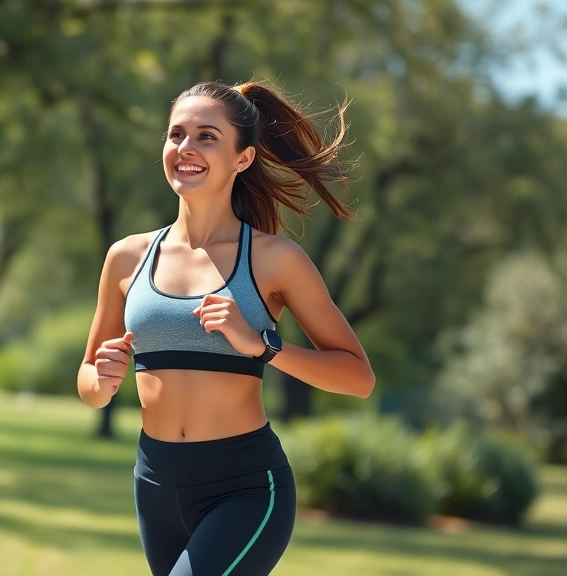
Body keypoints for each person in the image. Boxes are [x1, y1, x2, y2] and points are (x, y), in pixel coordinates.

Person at [77, 80, 375, 576]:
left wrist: (262, 346)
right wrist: (101, 380)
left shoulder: (274, 259)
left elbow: (358, 378)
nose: (185, 148)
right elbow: (88, 381)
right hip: (155, 486)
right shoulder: (126, 257)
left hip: (245, 488)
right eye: (176, 134)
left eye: (206, 137)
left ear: (243, 158)